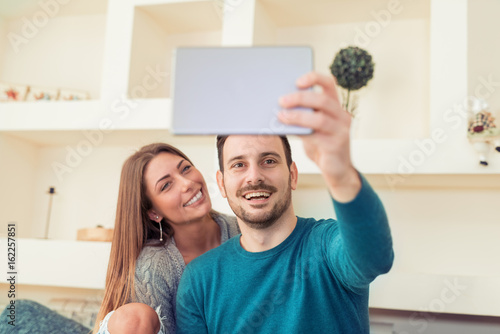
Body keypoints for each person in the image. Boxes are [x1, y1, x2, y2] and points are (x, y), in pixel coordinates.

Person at [175, 72, 394, 333]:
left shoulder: (325, 245)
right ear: (221, 184)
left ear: (292, 174)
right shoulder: (199, 280)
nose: (254, 176)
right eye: (239, 165)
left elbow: (375, 258)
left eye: (269, 161)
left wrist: (340, 173)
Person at [93, 143, 239, 334]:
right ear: (153, 213)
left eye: (185, 169)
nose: (187, 184)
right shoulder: (153, 267)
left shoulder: (243, 230)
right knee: (132, 318)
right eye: (166, 185)